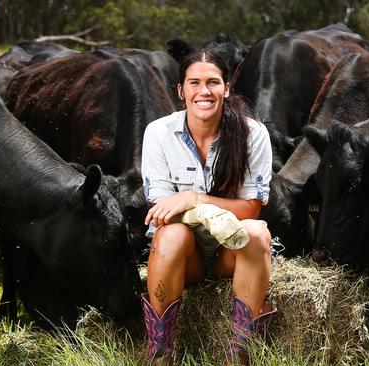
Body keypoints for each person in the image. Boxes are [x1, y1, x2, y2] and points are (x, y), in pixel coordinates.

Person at [140, 48, 274, 365]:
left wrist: (195, 199)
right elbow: (162, 211)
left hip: (233, 251)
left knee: (256, 232)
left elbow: (251, 209)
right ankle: (161, 352)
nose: (204, 91)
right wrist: (200, 211)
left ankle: (240, 351)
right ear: (181, 91)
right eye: (194, 82)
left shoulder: (253, 134)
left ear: (226, 88)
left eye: (213, 82)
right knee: (172, 235)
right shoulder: (158, 134)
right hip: (185, 256)